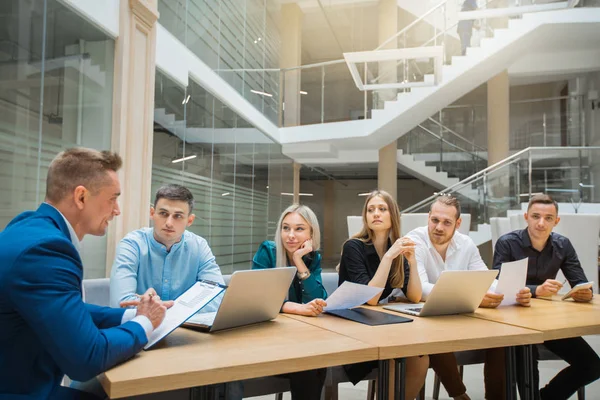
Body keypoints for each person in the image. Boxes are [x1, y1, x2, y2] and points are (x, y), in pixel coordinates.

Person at [0, 148, 169, 399]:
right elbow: (87, 358)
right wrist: (145, 324)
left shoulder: (29, 226)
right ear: (81, 196)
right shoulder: (46, 251)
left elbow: (61, 309)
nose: (117, 210)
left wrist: (132, 315)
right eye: (113, 198)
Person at [406, 194, 531, 400]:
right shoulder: (414, 240)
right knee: (434, 335)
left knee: (501, 336)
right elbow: (422, 290)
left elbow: (485, 278)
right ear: (428, 217)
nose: (439, 227)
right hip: (424, 319)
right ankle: (460, 395)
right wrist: (471, 295)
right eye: (435, 220)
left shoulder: (466, 243)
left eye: (447, 222)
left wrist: (512, 290)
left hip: (459, 318)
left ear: (458, 223)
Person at [493, 194, 600, 399]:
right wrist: (536, 290)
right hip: (513, 321)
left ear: (556, 221)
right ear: (526, 217)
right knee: (527, 365)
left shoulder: (563, 244)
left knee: (593, 366)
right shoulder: (507, 243)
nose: (541, 223)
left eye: (548, 218)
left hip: (549, 322)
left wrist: (583, 292)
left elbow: (579, 281)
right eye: (536, 216)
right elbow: (497, 285)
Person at [338, 190, 429, 399]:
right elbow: (371, 298)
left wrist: (412, 261)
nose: (375, 214)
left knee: (421, 358)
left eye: (382, 209)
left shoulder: (395, 249)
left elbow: (414, 296)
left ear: (393, 216)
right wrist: (389, 257)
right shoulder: (353, 246)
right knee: (393, 357)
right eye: (370, 210)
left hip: (377, 324)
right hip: (350, 325)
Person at [252, 204, 328, 399]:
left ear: (312, 233)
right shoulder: (268, 251)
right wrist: (299, 309)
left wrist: (298, 260)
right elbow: (259, 300)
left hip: (300, 338)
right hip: (267, 339)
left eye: (299, 229)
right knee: (309, 364)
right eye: (286, 228)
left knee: (315, 361)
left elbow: (318, 298)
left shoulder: (312, 258)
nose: (290, 235)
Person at [110, 183, 224, 310]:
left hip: (186, 329)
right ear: (152, 213)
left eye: (178, 216)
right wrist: (184, 308)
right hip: (142, 327)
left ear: (189, 220)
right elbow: (122, 303)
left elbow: (217, 297)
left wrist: (158, 308)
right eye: (163, 213)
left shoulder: (199, 246)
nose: (169, 223)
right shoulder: (132, 244)